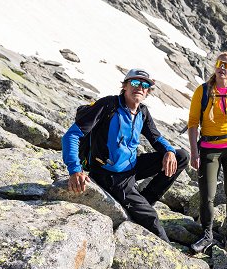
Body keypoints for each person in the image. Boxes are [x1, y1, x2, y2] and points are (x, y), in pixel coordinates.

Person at [62, 69, 188, 242]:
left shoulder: (142, 112)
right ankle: (168, 247)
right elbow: (72, 135)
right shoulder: (108, 106)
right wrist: (75, 169)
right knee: (150, 217)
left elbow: (156, 137)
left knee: (181, 156)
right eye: (135, 83)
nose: (140, 87)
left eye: (145, 85)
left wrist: (169, 151)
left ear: (147, 92)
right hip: (110, 175)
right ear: (125, 86)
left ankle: (145, 199)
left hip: (131, 167)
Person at [188, 52, 227, 253]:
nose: (221, 67)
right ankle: (207, 235)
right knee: (207, 194)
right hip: (209, 149)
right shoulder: (203, 91)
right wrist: (193, 152)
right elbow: (192, 124)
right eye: (219, 63)